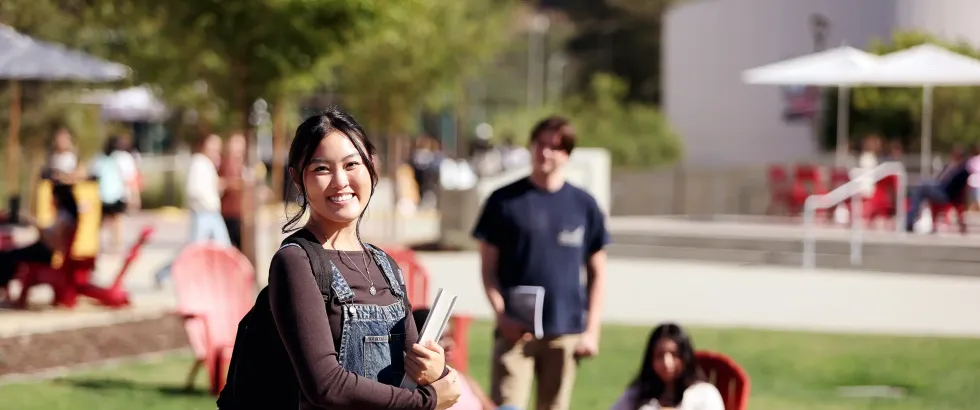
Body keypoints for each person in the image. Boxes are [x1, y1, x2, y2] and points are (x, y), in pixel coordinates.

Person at [258, 108, 462, 409]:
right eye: (321, 169)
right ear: (297, 179)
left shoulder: (386, 266)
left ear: (371, 168)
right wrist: (426, 401)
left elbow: (412, 362)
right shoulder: (296, 263)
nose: (340, 181)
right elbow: (325, 384)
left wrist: (435, 370)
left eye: (352, 164)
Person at [473, 115, 610, 410]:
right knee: (507, 406)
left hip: (565, 332)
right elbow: (487, 269)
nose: (545, 152)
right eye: (540, 144)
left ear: (567, 154)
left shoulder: (584, 205)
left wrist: (592, 330)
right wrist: (501, 315)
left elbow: (598, 273)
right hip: (515, 333)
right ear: (531, 147)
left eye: (555, 147)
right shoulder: (503, 201)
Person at [610, 323, 724, 410]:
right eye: (660, 356)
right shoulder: (637, 394)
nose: (666, 363)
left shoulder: (704, 395)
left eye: (674, 355)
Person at [412, 308, 497, 410]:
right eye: (441, 338)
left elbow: (488, 406)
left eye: (450, 336)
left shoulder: (460, 376)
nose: (450, 344)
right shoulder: (418, 392)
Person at [0, 184, 79, 291]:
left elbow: (56, 241)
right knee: (10, 253)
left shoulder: (64, 218)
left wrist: (38, 228)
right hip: (43, 249)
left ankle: (3, 285)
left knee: (9, 256)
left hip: (45, 251)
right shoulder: (63, 216)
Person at [905, 146, 971, 232]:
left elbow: (951, 185)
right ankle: (911, 218)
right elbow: (939, 178)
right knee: (920, 186)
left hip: (946, 195)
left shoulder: (962, 171)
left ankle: (910, 220)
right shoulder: (949, 166)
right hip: (940, 189)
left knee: (922, 188)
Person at [90, 136, 128, 253]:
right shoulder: (120, 158)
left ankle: (106, 244)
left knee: (105, 222)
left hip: (106, 194)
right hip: (114, 194)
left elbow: (93, 176)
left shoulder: (100, 159)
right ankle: (115, 244)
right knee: (116, 221)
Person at [218, 133, 247, 250]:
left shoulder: (242, 164)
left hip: (241, 213)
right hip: (229, 212)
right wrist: (239, 184)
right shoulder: (225, 164)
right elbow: (221, 183)